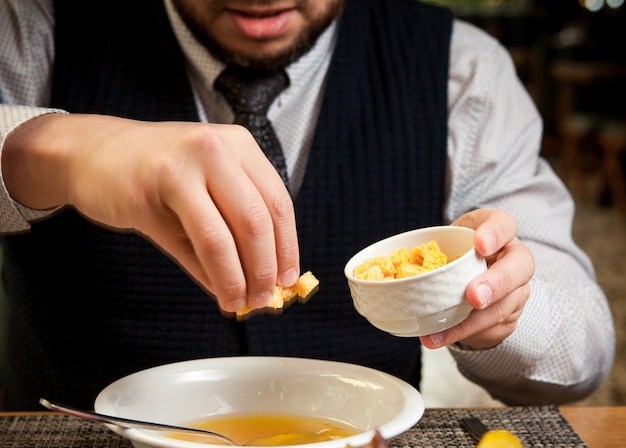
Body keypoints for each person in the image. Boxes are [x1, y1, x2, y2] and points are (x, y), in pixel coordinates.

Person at [0, 0, 615, 411]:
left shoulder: (461, 70)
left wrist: (505, 308)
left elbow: (582, 352)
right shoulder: (34, 30)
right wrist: (55, 149)